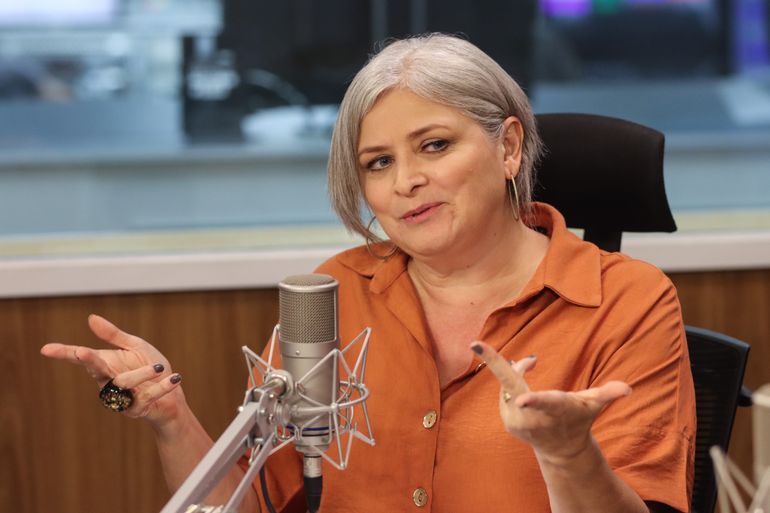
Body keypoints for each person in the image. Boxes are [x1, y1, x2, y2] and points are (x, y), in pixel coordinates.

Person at [41, 34, 695, 513]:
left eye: (434, 145)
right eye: (378, 163)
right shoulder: (333, 294)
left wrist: (567, 451)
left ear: (509, 147)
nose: (407, 181)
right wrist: (169, 413)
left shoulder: (627, 300)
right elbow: (252, 502)